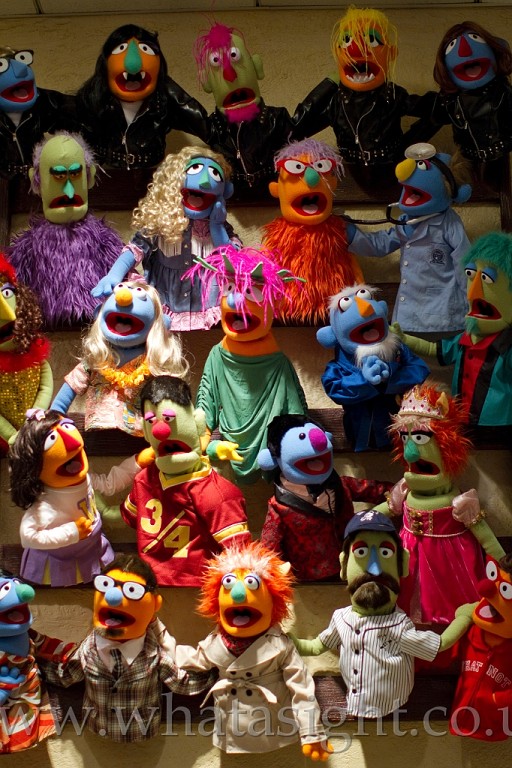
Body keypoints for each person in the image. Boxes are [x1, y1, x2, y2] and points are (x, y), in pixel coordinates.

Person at [291, 509, 474, 719]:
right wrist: (288, 641)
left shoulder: (399, 625)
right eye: (361, 552)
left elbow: (439, 644)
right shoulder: (340, 618)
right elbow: (316, 646)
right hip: (354, 704)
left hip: (394, 704)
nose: (375, 569)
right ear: (344, 565)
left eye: (385, 553)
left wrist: (464, 617)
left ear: (402, 565)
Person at [37, 554, 212, 742]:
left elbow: (182, 683)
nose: (112, 596)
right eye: (105, 585)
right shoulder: (88, 650)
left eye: (132, 590)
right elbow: (65, 676)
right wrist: (30, 663)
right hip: (97, 728)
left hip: (142, 731)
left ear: (155, 604)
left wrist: (219, 671)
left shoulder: (155, 655)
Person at [120, 375, 250, 586]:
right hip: (149, 588)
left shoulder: (217, 494)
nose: (160, 430)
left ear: (197, 423)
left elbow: (240, 558)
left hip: (192, 593)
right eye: (152, 422)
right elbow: (128, 516)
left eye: (169, 419)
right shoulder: (144, 479)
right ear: (146, 431)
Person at [75, 25, 209, 169]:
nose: (133, 64)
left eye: (146, 49)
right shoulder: (94, 100)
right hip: (109, 174)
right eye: (121, 48)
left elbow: (208, 128)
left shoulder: (164, 102)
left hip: (150, 174)